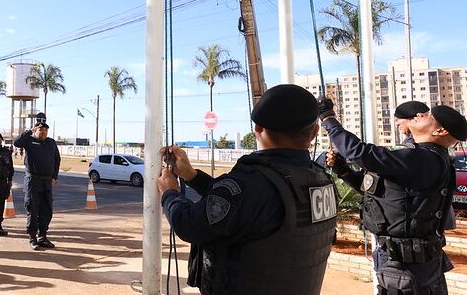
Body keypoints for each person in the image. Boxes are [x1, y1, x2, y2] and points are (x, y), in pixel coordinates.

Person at [158, 84, 337, 295]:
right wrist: (192, 176)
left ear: (258, 128)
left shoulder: (254, 182)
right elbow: (242, 207)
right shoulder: (321, 180)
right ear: (315, 132)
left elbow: (191, 225)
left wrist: (169, 193)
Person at [320, 98, 465, 295]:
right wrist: (343, 170)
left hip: (407, 265)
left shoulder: (421, 157)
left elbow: (359, 152)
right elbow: (377, 193)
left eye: (428, 116)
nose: (420, 115)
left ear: (440, 131)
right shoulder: (425, 158)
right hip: (402, 259)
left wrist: (328, 118)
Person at [13, 120, 61, 251]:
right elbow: (16, 142)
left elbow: (57, 160)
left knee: (47, 211)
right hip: (33, 181)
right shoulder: (29, 141)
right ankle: (32, 238)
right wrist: (30, 131)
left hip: (47, 182)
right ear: (36, 130)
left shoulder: (51, 142)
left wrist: (54, 176)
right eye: (41, 130)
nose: (44, 132)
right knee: (32, 210)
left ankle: (42, 237)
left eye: (46, 130)